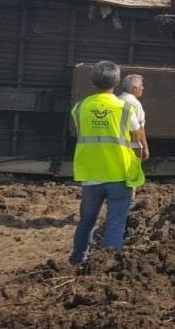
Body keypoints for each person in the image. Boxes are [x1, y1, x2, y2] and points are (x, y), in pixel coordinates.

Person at [69, 61, 144, 265]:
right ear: (117, 81)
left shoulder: (80, 107)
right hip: (119, 174)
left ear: (93, 81)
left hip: (90, 174)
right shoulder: (126, 108)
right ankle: (107, 264)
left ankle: (78, 259)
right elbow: (137, 142)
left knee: (86, 221)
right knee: (116, 223)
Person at [118, 74, 150, 162]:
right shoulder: (135, 104)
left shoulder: (117, 100)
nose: (143, 88)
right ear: (134, 88)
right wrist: (145, 147)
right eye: (141, 86)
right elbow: (140, 127)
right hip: (130, 145)